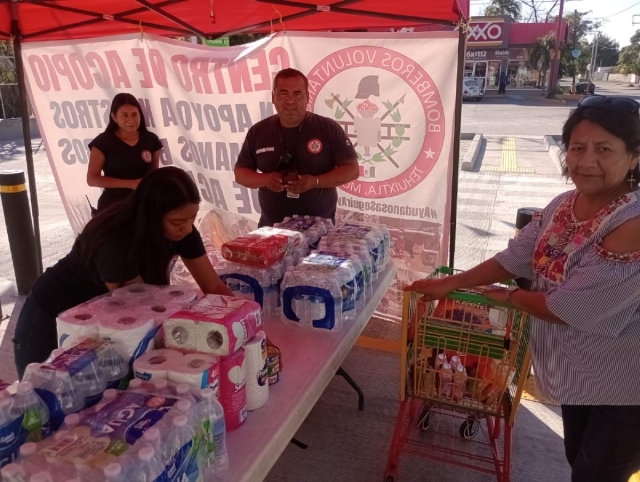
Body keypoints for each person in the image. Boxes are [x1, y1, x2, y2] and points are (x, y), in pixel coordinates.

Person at [407, 95, 640, 482]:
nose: (586, 161)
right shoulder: (564, 203)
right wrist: (449, 283)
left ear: (634, 157)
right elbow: (514, 258)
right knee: (577, 461)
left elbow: (572, 307)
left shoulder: (631, 221)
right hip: (581, 375)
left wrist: (510, 298)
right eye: (578, 148)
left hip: (627, 384)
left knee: (595, 476)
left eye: (604, 149)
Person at [14, 167, 232, 378]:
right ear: (151, 216)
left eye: (192, 218)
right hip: (52, 316)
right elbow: (141, 310)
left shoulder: (184, 232)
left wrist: (243, 324)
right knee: (43, 399)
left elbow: (213, 287)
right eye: (178, 221)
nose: (187, 228)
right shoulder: (115, 240)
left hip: (101, 323)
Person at [234, 68, 359, 227]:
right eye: (284, 93)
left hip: (319, 232)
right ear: (273, 97)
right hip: (271, 230)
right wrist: (266, 179)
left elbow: (352, 169)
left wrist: (315, 182)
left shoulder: (327, 128)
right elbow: (240, 173)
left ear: (307, 97)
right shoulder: (258, 131)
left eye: (297, 93)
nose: (290, 100)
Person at [87, 93, 163, 213]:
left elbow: (154, 174)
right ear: (114, 117)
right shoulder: (102, 142)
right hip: (113, 207)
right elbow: (92, 179)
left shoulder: (151, 140)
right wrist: (130, 184)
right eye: (124, 115)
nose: (131, 120)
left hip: (146, 203)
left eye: (134, 115)